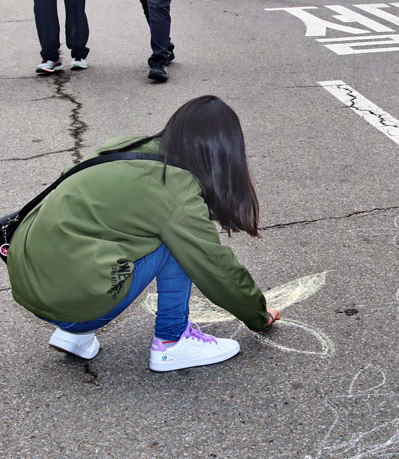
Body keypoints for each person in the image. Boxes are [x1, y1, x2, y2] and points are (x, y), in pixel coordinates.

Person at [5, 96, 282, 372]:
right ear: (222, 152)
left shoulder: (127, 145)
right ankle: (172, 341)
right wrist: (258, 315)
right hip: (77, 300)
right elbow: (216, 266)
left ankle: (75, 334)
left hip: (29, 281)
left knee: (117, 229)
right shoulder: (175, 190)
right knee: (177, 243)